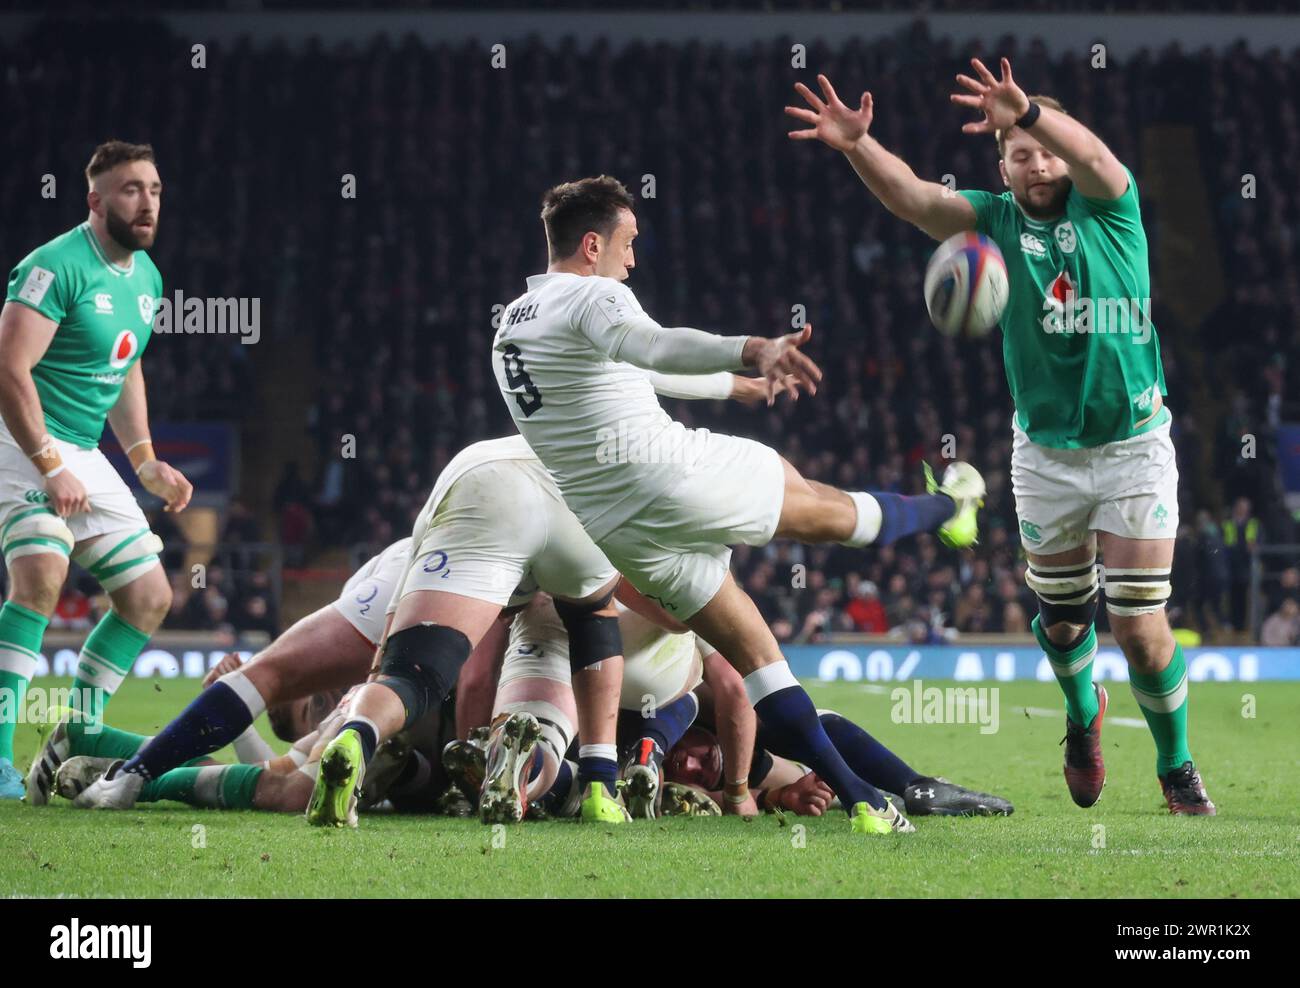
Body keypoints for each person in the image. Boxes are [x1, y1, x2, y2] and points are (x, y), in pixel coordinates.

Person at [492, 175, 985, 834]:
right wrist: (754, 348)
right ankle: (950, 506)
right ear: (591, 244)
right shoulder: (596, 296)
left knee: (755, 656)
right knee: (830, 514)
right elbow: (653, 344)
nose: (631, 260)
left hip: (617, 527)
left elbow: (631, 366)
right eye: (628, 244)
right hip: (670, 473)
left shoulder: (513, 329)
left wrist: (733, 386)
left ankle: (865, 802)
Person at [788, 62, 1214, 814]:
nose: (1038, 163)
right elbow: (916, 200)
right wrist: (859, 146)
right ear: (1003, 169)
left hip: (1134, 447)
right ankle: (1084, 719)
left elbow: (1094, 156)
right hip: (1046, 453)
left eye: (1043, 150)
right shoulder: (995, 221)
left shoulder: (1111, 206)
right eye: (1019, 154)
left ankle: (1176, 769)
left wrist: (1032, 116)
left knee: (1140, 627)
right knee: (1060, 621)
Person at [0, 140, 192, 799]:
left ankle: (78, 731)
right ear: (96, 199)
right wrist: (50, 465)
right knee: (42, 570)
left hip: (83, 448)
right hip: (19, 440)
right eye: (132, 189)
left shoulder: (147, 277)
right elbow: (9, 368)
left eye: (155, 189)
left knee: (149, 597)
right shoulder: (53, 267)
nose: (147, 202)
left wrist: (144, 460)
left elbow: (127, 363)